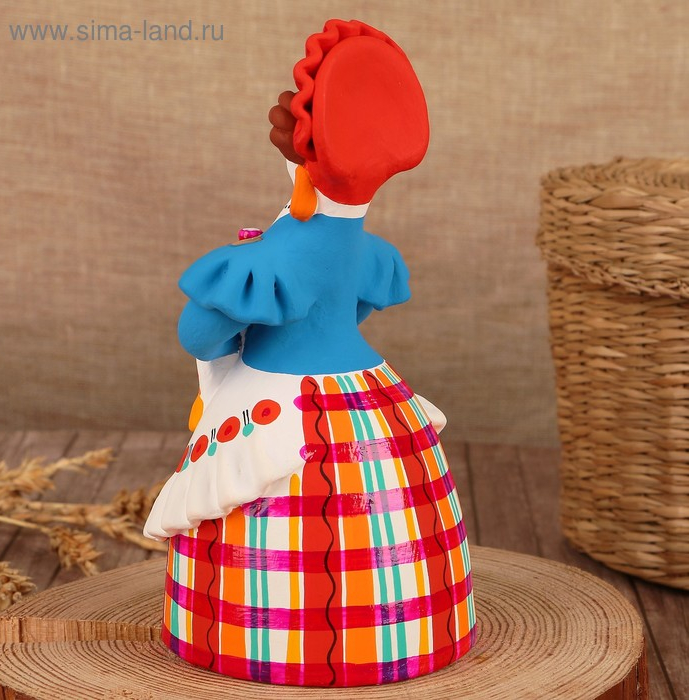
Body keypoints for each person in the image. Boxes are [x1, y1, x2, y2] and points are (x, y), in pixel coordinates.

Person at [144, 18, 476, 687]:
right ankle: (403, 638)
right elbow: (355, 309)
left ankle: (251, 645)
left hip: (280, 409)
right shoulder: (368, 251)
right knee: (393, 523)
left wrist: (246, 318)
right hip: (374, 400)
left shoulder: (273, 257)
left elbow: (197, 335)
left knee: (239, 513)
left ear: (299, 157)